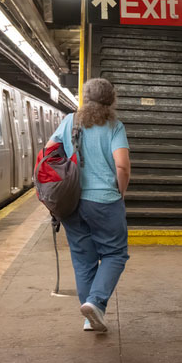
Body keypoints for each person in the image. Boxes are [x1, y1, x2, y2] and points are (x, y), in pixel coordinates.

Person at [45, 78, 130, 333]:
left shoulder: (70, 121)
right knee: (115, 254)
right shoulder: (114, 126)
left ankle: (89, 316)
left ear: (85, 98)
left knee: (84, 260)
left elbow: (49, 152)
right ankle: (95, 302)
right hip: (104, 200)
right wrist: (121, 192)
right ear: (111, 99)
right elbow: (122, 165)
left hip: (71, 201)